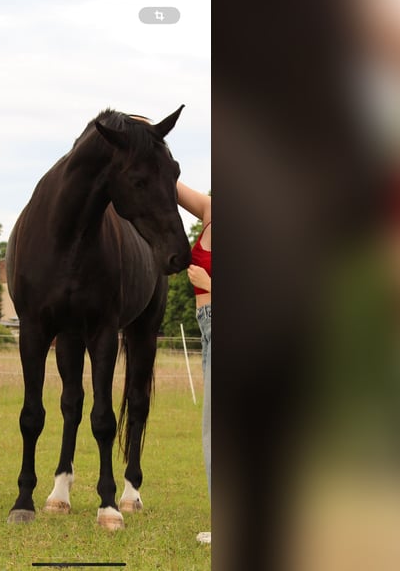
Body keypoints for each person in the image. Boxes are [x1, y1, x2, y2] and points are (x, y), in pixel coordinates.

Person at [176, 180, 212, 545]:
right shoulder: (210, 209)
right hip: (208, 328)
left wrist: (208, 284)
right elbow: (165, 180)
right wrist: (136, 125)